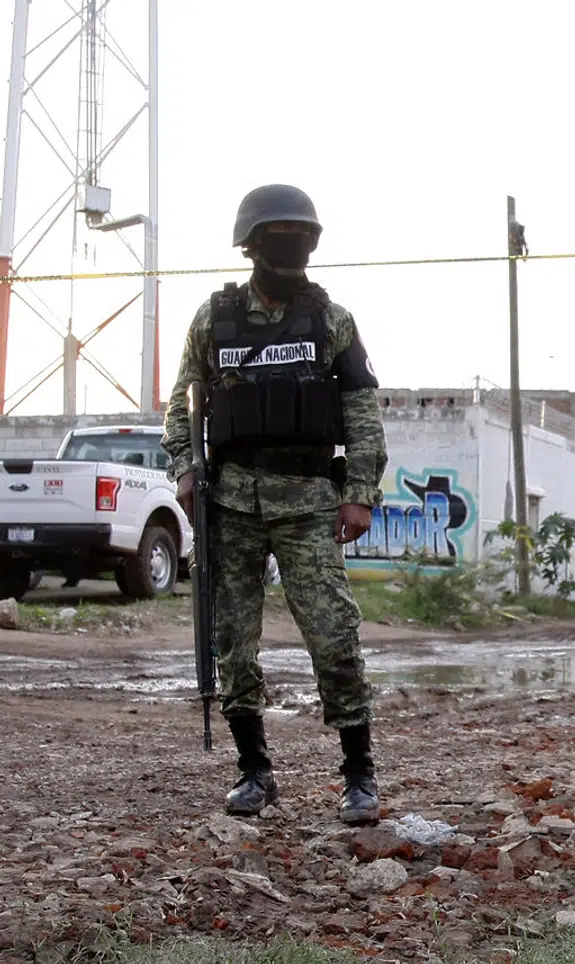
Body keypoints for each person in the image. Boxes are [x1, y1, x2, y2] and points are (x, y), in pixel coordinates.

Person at [160, 184, 388, 825]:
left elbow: (363, 416)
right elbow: (181, 405)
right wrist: (184, 470)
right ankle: (254, 771)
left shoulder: (331, 320)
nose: (290, 249)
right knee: (232, 643)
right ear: (252, 246)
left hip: (310, 502)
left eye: (300, 237)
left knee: (334, 638)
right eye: (278, 237)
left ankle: (358, 775)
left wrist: (360, 496)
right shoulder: (214, 320)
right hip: (229, 502)